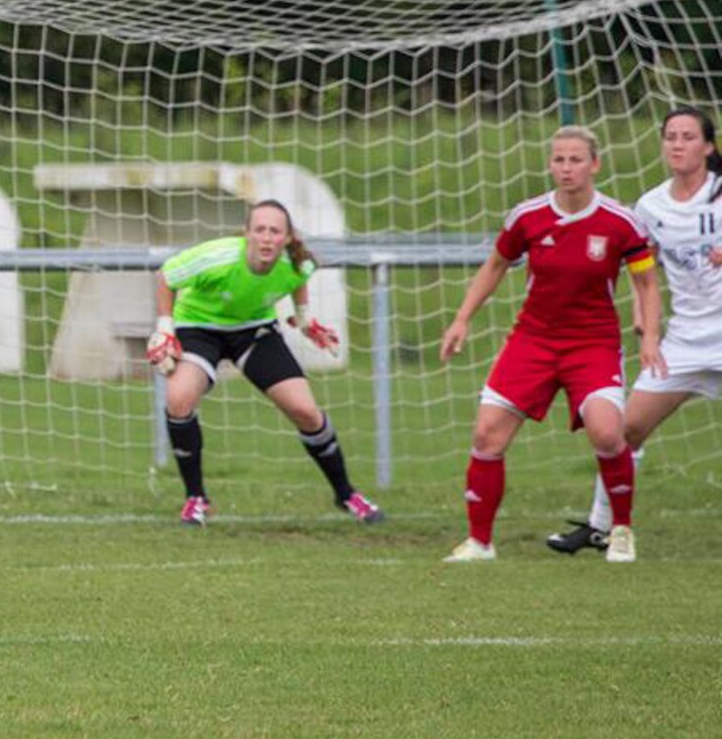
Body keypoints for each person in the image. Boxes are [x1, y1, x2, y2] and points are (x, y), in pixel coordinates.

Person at [440, 125, 664, 564]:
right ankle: (480, 542)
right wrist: (462, 319)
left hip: (592, 344)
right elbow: (495, 265)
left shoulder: (621, 222)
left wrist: (650, 337)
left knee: (606, 431)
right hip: (533, 340)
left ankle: (620, 530)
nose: (566, 168)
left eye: (576, 159)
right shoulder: (527, 216)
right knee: (487, 435)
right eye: (559, 159)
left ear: (594, 164)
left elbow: (648, 283)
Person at [547, 108, 722, 553]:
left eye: (687, 137)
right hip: (683, 342)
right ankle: (602, 526)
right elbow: (644, 273)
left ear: (708, 146)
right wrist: (645, 324)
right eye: (670, 137)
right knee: (625, 432)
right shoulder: (650, 206)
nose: (677, 145)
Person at [146, 201, 382, 527]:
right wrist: (164, 329)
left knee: (305, 411)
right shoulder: (219, 257)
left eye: (275, 231)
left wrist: (305, 321)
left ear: (287, 238)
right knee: (178, 399)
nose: (267, 238)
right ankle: (196, 498)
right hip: (198, 328)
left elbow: (299, 277)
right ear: (247, 234)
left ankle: (346, 494)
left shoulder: (296, 263)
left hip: (253, 331)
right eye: (260, 230)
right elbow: (165, 275)